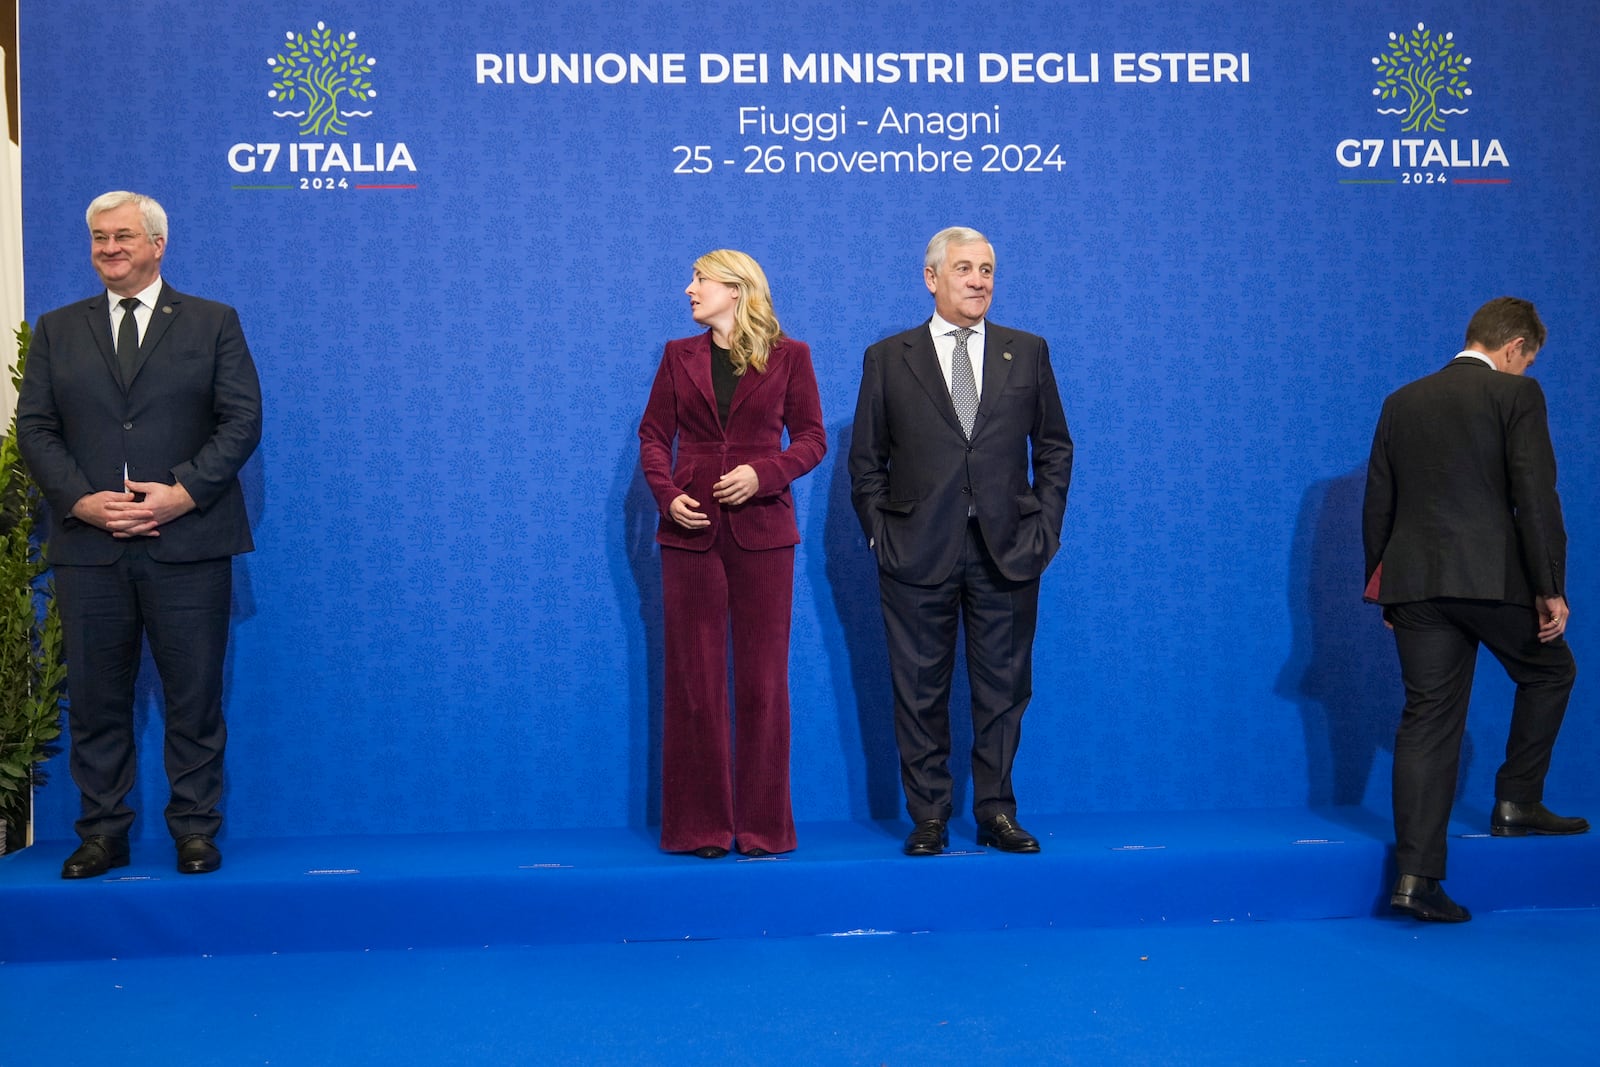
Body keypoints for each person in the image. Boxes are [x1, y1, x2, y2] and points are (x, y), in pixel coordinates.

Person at [17, 191, 262, 878]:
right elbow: (34, 427)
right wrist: (80, 502)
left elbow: (241, 421)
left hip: (189, 542)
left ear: (158, 244)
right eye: (98, 237)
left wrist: (182, 493)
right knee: (95, 698)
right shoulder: (59, 329)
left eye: (123, 235)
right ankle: (102, 832)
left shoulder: (213, 323)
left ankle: (195, 829)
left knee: (194, 698)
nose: (108, 248)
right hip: (89, 546)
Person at [848, 227, 1073, 856]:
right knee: (918, 691)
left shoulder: (1026, 351)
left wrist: (1043, 528)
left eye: (988, 270)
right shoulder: (888, 357)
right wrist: (880, 537)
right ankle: (929, 816)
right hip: (915, 550)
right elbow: (865, 462)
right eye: (966, 269)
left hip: (1008, 550)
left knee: (1003, 690)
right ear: (932, 278)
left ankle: (996, 811)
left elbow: (1054, 447)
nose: (979, 281)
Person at [1363, 296, 1585, 923]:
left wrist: (1384, 586)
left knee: (1427, 721)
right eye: (1529, 359)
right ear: (1514, 348)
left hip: (1412, 584)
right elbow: (1535, 497)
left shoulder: (1401, 401)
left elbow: (1379, 502)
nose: (1527, 369)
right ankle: (1517, 802)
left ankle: (1415, 879)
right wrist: (1550, 588)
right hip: (1491, 581)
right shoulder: (1519, 397)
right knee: (1550, 671)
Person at [638, 249, 825, 858]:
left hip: (764, 531)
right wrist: (667, 497)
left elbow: (813, 439)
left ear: (737, 289)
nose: (689, 289)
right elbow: (652, 437)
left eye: (700, 279)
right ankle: (700, 829)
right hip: (689, 532)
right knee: (693, 681)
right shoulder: (677, 356)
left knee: (764, 684)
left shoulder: (791, 355)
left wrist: (763, 474)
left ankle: (765, 830)